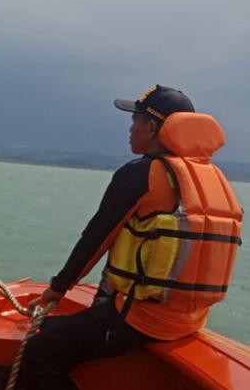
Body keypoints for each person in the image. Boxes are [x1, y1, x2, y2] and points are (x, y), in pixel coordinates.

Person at [16, 85, 243, 389]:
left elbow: (96, 237)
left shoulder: (141, 173)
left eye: (135, 120)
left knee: (41, 349)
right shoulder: (214, 180)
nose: (130, 128)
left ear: (151, 127)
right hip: (189, 320)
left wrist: (58, 288)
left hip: (140, 320)